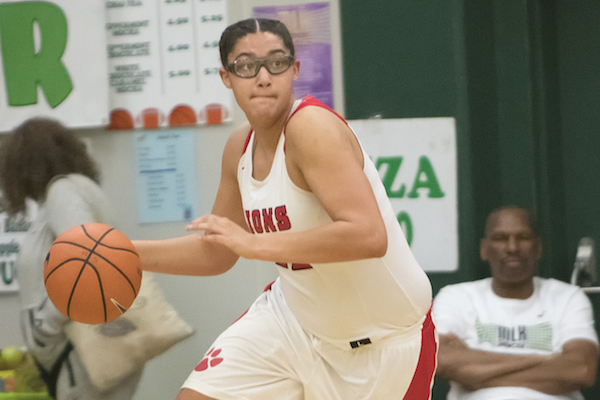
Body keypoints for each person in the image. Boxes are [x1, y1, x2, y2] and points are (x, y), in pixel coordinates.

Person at [133, 18, 437, 400]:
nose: (262, 77)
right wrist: (125, 253)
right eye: (246, 65)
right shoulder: (238, 148)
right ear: (226, 78)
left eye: (276, 63)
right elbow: (217, 251)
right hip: (293, 323)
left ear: (294, 71)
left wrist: (256, 245)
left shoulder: (311, 129)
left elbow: (367, 235)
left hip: (383, 340)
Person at [0, 118, 144, 400]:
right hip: (86, 347)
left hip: (79, 349)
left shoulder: (62, 193)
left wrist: (45, 325)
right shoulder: (78, 190)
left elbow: (88, 265)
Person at [432, 206, 599, 400]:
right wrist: (549, 362)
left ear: (538, 248)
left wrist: (474, 375)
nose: (512, 248)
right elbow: (440, 359)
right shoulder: (456, 297)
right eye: (500, 238)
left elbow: (582, 369)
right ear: (484, 249)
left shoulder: (567, 297)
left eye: (523, 237)